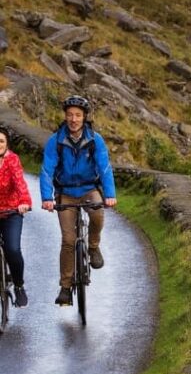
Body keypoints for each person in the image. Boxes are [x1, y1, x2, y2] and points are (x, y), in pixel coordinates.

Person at [40, 95, 117, 306]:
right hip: (65, 192)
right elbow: (47, 170)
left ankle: (93, 246)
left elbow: (105, 168)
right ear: (65, 117)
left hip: (89, 188)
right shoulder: (55, 141)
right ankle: (65, 287)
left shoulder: (95, 140)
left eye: (78, 115)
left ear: (84, 118)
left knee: (97, 214)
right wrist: (47, 198)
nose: (73, 119)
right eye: (70, 115)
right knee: (67, 241)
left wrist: (109, 195)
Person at [0, 126, 32, 307]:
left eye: (1, 141)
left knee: (12, 248)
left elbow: (20, 183)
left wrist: (24, 202)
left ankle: (19, 286)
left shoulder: (12, 160)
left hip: (12, 211)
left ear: (7, 144)